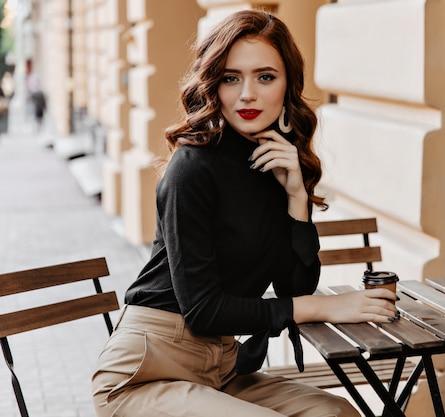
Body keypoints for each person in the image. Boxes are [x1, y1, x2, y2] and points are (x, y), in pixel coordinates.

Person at [92, 9, 398, 417]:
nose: (247, 94)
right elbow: (203, 311)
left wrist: (296, 199)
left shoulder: (274, 164)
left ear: (288, 85)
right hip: (144, 374)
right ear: (213, 85)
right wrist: (325, 308)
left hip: (217, 370)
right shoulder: (193, 168)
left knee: (334, 413)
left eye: (265, 77)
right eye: (231, 77)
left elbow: (296, 284)